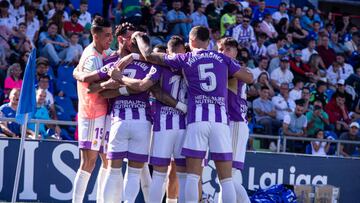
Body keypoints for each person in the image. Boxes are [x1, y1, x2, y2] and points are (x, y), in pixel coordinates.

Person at [134, 26, 253, 203]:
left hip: (197, 120)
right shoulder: (222, 58)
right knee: (227, 179)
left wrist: (139, 38)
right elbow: (249, 78)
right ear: (209, 41)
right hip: (220, 122)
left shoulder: (186, 58)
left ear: (191, 40)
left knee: (192, 177)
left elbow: (149, 55)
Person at [72, 16, 113, 203]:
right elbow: (92, 84)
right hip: (90, 114)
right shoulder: (91, 57)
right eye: (106, 35)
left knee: (107, 160)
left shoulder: (103, 52)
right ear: (94, 35)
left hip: (102, 113)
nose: (110, 39)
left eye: (111, 35)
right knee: (88, 162)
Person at [217, 37, 253, 203]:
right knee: (227, 176)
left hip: (236, 122)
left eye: (225, 49)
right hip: (229, 123)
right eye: (219, 50)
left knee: (228, 176)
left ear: (234, 51)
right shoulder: (232, 67)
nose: (221, 53)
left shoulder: (234, 68)